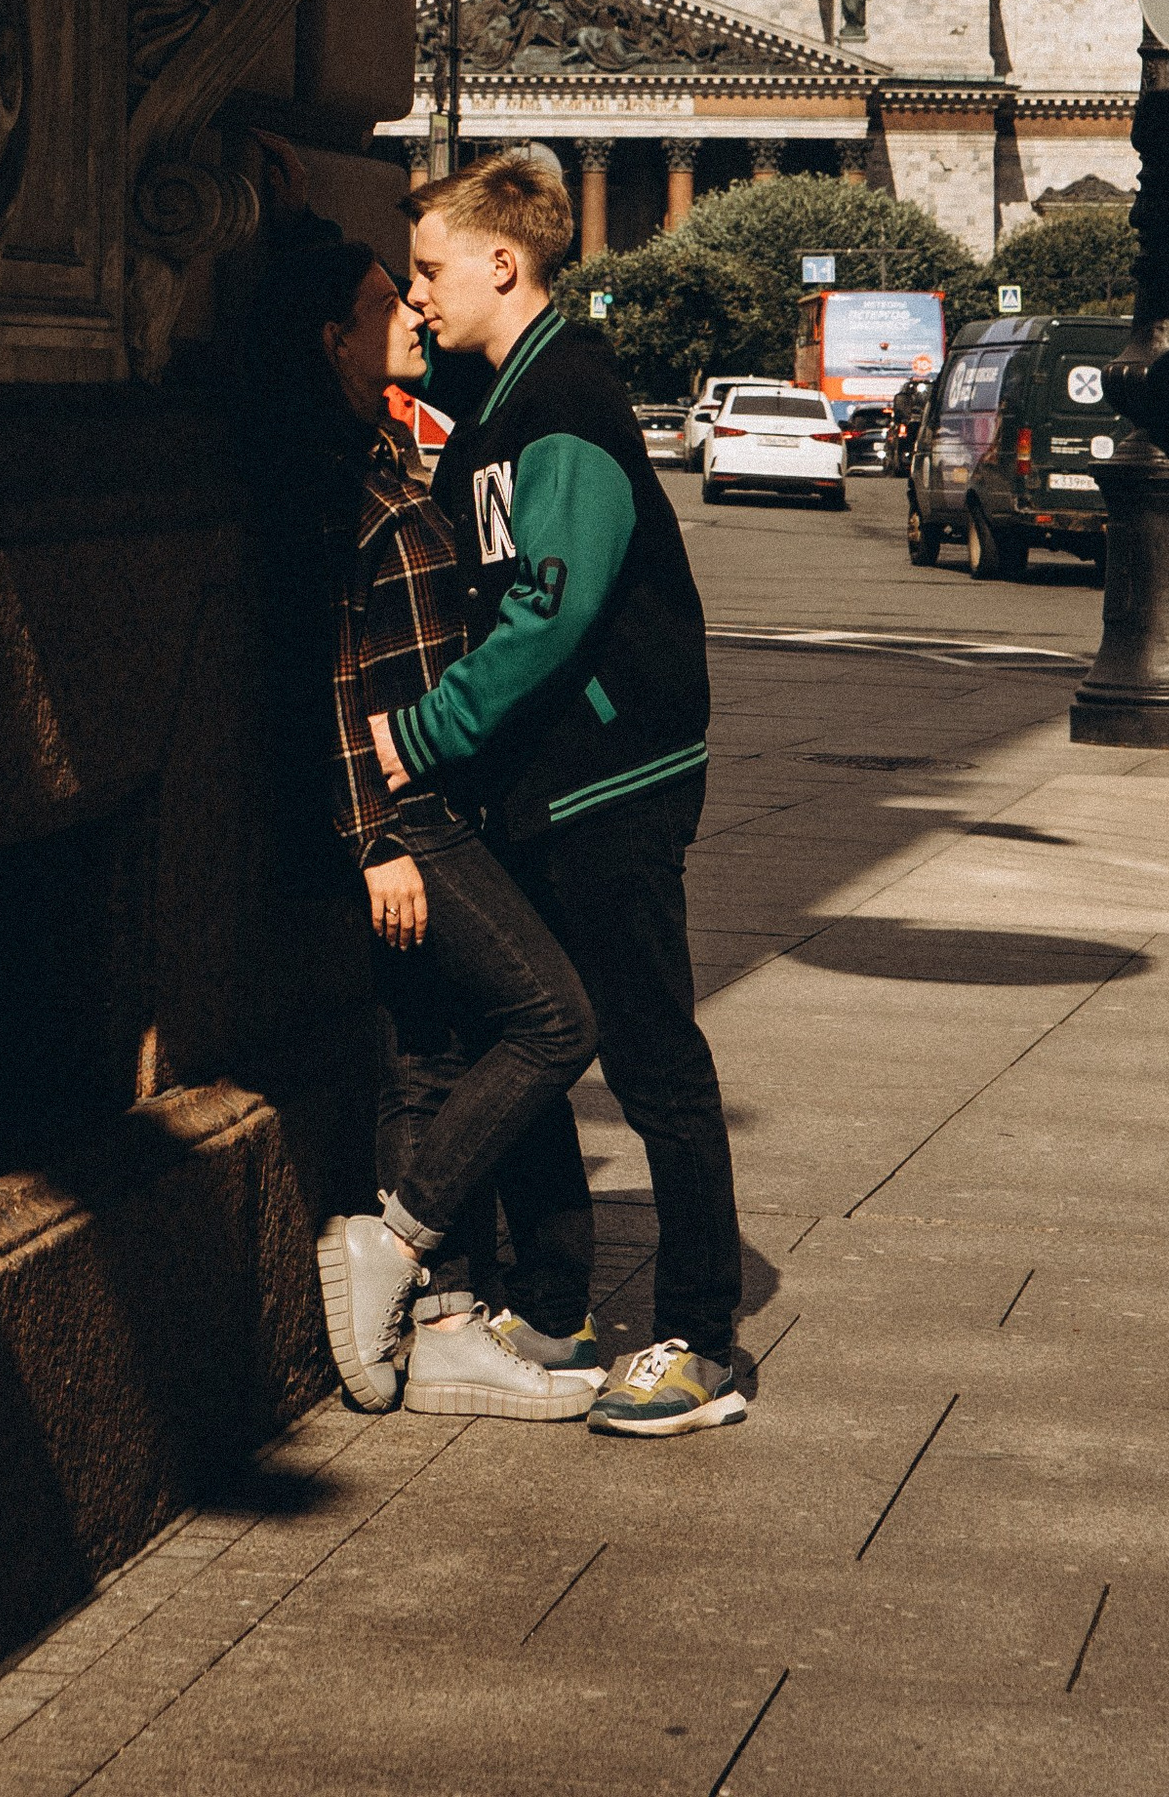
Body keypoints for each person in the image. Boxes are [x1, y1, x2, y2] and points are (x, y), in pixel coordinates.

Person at [377, 150, 748, 1439]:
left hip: (612, 780)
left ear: (502, 263)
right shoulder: (492, 402)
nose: (416, 295)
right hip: (538, 785)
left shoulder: (567, 399)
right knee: (529, 1037)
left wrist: (423, 734)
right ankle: (551, 1309)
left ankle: (703, 1340)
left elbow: (551, 612)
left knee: (652, 1059)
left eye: (429, 270)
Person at [255, 209, 603, 1429]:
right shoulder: (323, 481)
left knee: (428, 1050)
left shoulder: (384, 444)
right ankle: (395, 1243)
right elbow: (322, 677)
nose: (408, 307)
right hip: (404, 814)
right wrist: (375, 841)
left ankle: (445, 1328)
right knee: (555, 1019)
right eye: (380, 299)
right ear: (330, 340)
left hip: (436, 799)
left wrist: (280, 188)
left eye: (413, 285)